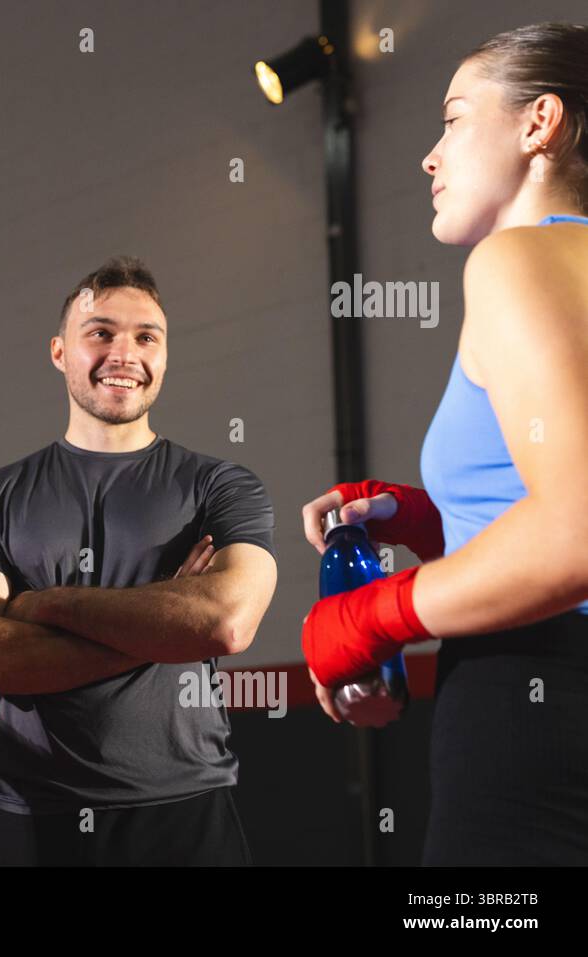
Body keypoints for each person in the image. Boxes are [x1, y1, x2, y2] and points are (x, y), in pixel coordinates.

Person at [299, 22, 588, 865]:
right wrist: (437, 518)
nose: (430, 155)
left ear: (540, 123)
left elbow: (575, 533)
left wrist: (372, 615)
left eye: (454, 119)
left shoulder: (515, 262)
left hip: (534, 701)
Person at [0, 256, 277, 866]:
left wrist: (43, 605)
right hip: (24, 815)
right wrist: (165, 623)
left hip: (183, 811)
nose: (125, 353)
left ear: (165, 357)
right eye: (101, 333)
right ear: (60, 352)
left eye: (147, 337)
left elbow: (226, 623)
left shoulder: (222, 487)